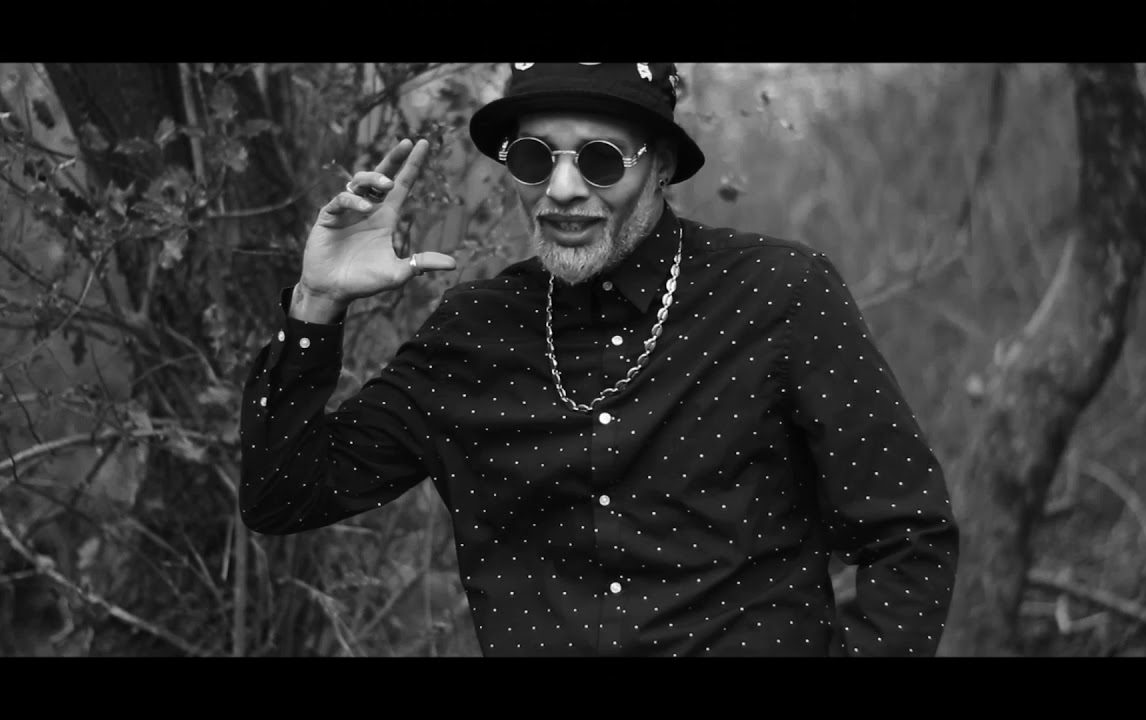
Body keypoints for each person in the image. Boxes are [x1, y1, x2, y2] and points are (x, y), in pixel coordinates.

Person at [238, 62, 959, 657]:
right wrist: (317, 301)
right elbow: (283, 496)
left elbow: (907, 533)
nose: (562, 190)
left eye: (601, 159)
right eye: (533, 157)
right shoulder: (473, 334)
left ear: (661, 164)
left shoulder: (779, 296)